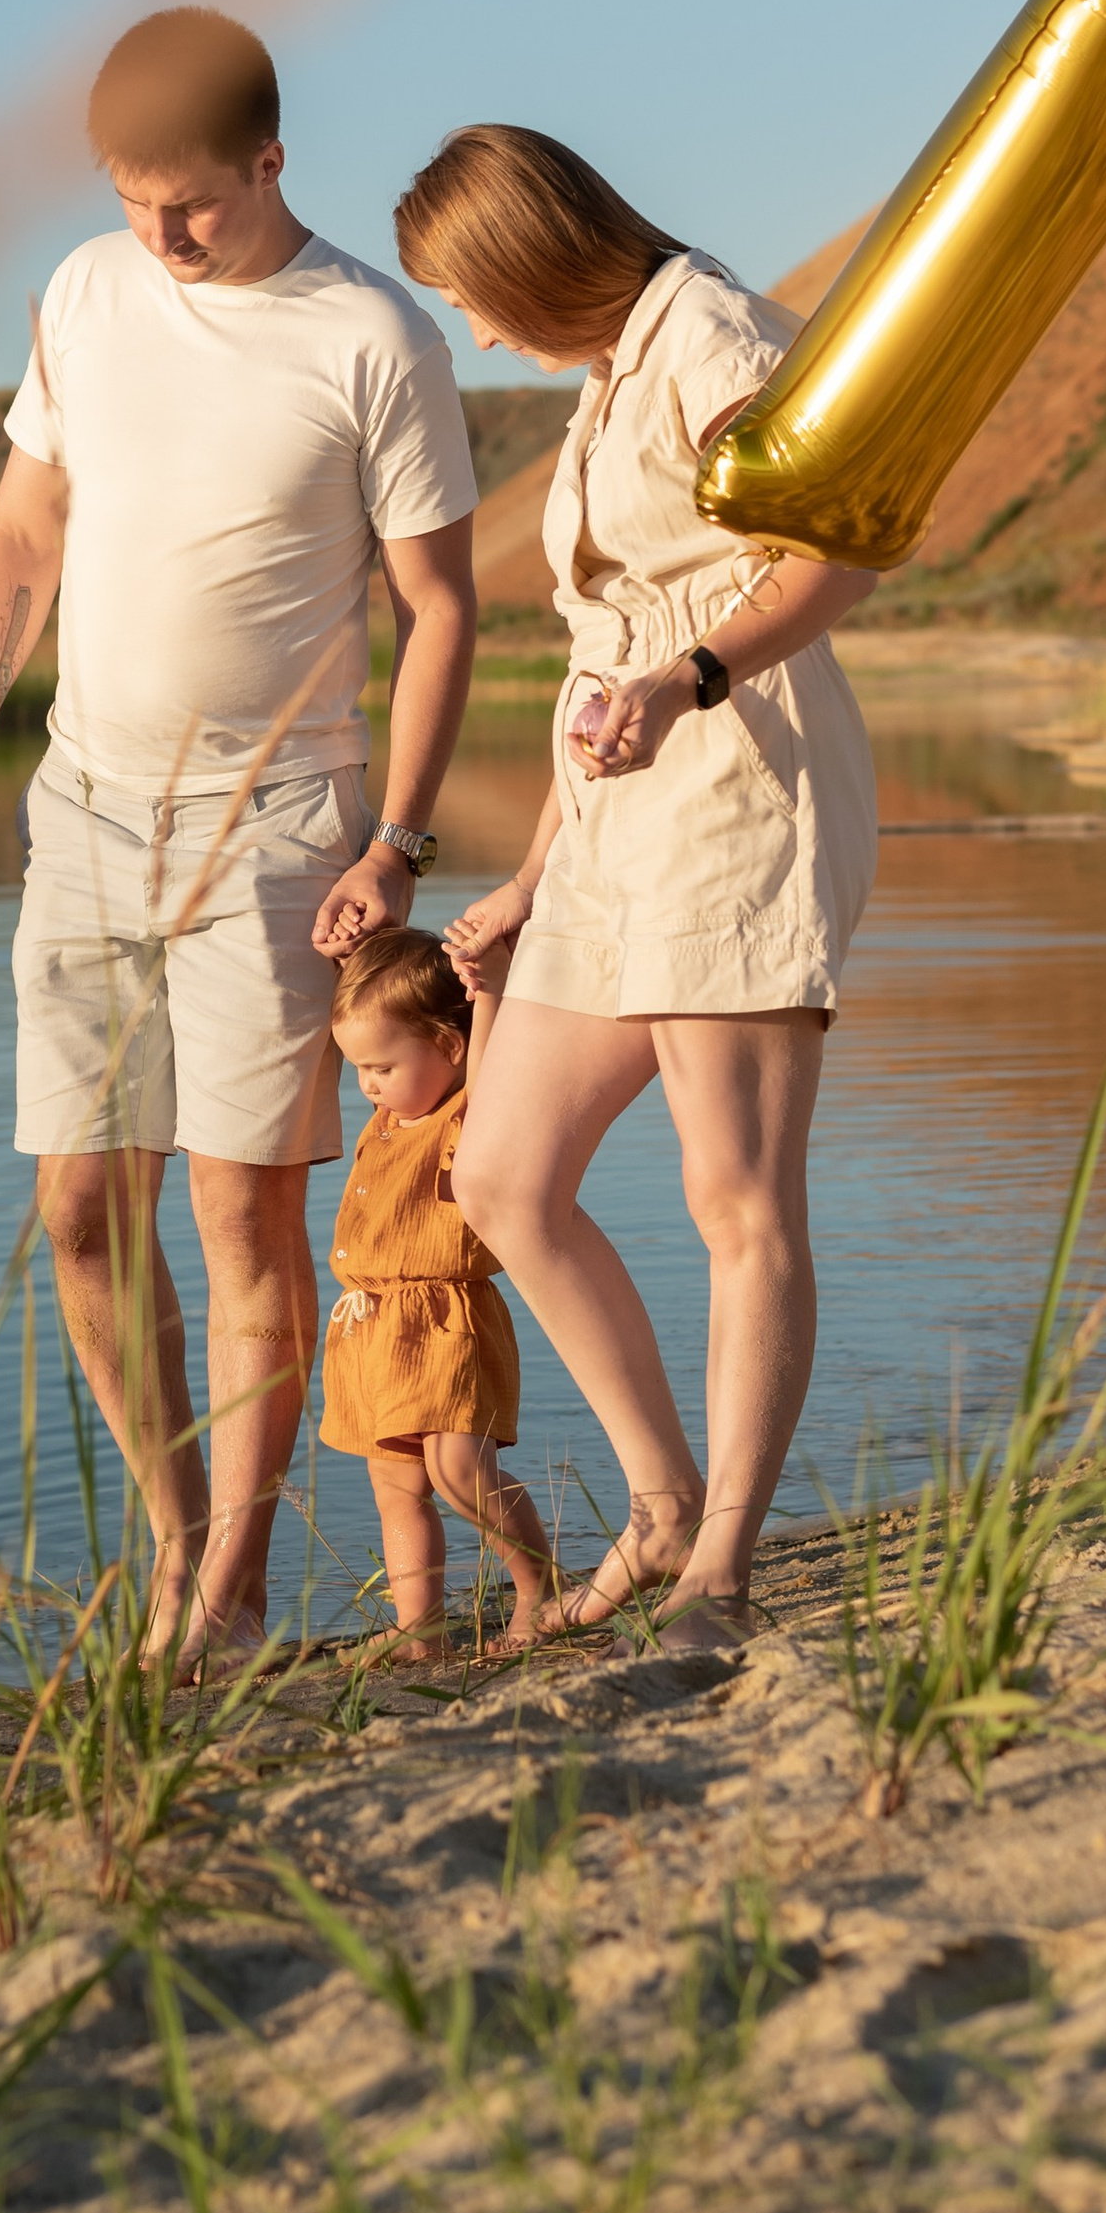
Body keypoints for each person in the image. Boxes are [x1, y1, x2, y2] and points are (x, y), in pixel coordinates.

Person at [0, 7, 479, 1666]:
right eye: (129, 200)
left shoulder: (374, 339)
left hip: (280, 837)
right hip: (81, 813)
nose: (157, 238)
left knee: (244, 1221)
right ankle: (171, 1548)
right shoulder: (87, 293)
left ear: (272, 161)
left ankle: (226, 1601)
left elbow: (440, 612)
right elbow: (24, 531)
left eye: (193, 207)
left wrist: (399, 845)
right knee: (80, 1212)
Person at [396, 125, 880, 1647]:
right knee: (502, 1177)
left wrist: (695, 674)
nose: (473, 329)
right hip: (616, 813)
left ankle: (724, 1569)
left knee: (735, 1191)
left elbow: (846, 543)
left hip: (741, 778)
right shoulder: (610, 374)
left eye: (472, 294)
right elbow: (601, 664)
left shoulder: (712, 332)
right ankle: (662, 1499)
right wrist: (534, 873)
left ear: (529, 255)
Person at [322, 924, 558, 1653]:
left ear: (448, 1049)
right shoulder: (389, 1115)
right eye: (357, 1065)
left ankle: (538, 1586)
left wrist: (485, 993)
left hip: (447, 1319)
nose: (366, 1082)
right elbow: (382, 1010)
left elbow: (490, 1067)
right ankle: (419, 1626)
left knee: (460, 1470)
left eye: (380, 1065)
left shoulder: (467, 1115)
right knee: (396, 1488)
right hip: (374, 1328)